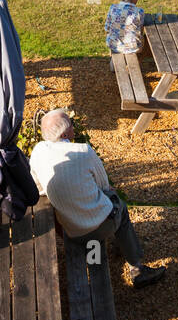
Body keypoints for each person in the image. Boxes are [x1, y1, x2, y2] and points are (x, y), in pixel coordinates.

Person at [29, 109, 165, 288]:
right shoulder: (83, 151)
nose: (74, 126)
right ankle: (136, 267)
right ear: (65, 133)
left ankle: (117, 246)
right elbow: (104, 185)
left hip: (71, 230)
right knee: (120, 207)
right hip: (98, 227)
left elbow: (39, 189)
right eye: (71, 124)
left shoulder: (38, 151)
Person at [103, 0, 146, 68]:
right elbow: (140, 29)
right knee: (144, 39)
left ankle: (114, 63)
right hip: (132, 47)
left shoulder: (113, 8)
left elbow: (107, 28)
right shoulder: (139, 12)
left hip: (113, 44)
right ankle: (135, 64)